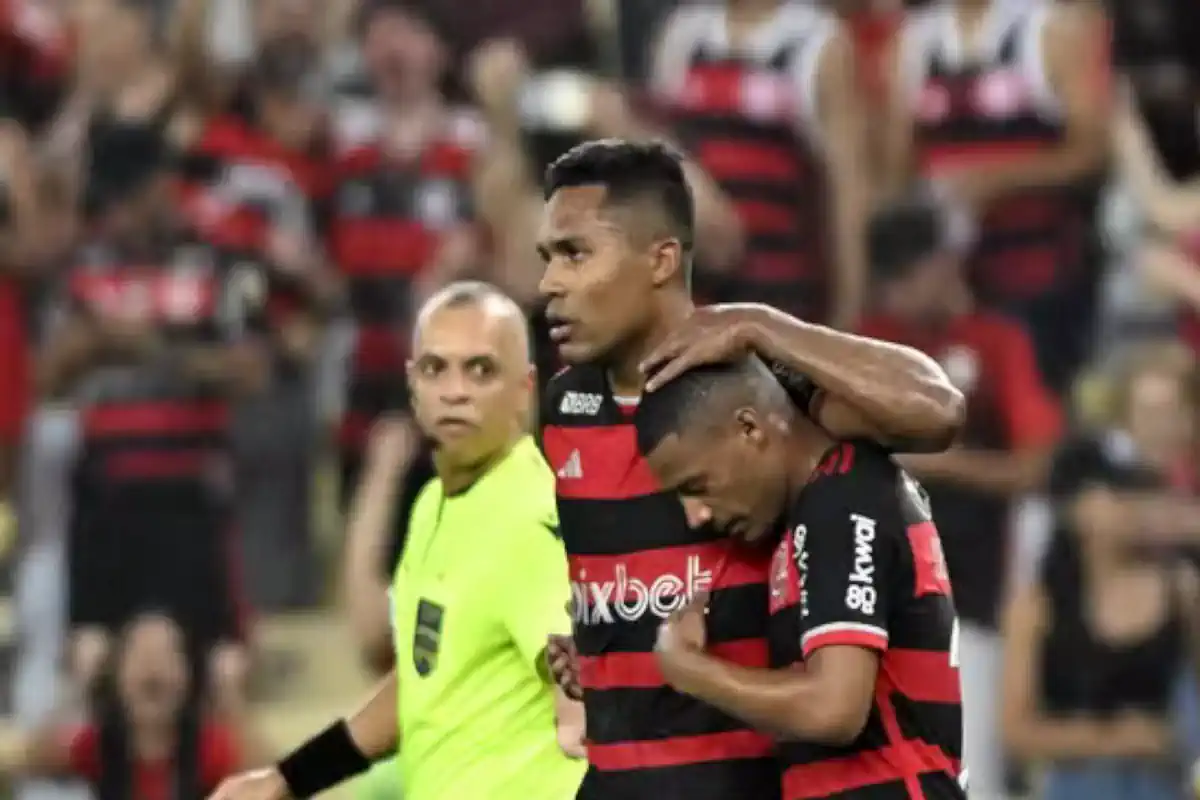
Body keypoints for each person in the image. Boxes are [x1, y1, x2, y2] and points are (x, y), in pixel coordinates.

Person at [537, 139, 964, 800]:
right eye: (547, 259)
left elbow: (936, 410)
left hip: (750, 783)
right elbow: (634, 596)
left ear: (661, 259)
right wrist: (600, 646)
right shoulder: (567, 409)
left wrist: (764, 325)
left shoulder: (760, 385)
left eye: (574, 254)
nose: (550, 285)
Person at [208, 281, 586, 800]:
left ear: (524, 392)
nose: (455, 391)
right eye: (436, 369)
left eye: (481, 370)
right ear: (414, 386)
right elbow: (421, 685)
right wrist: (288, 779)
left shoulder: (528, 519)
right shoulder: (435, 507)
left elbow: (587, 679)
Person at [629, 356, 965, 798]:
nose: (697, 515)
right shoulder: (822, 505)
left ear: (750, 428)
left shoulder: (840, 502)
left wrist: (689, 668)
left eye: (697, 485)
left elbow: (832, 708)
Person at [37, 122, 269, 707]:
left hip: (191, 500)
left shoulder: (215, 262)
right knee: (97, 666)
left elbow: (251, 370)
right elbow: (46, 376)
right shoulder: (80, 265)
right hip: (104, 502)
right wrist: (96, 344)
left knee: (213, 669)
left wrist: (160, 349)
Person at [855, 197, 1062, 798]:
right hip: (867, 603)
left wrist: (930, 460)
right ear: (907, 272)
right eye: (942, 263)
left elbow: (1037, 466)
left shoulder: (993, 340)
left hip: (969, 600)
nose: (957, 274)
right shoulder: (860, 344)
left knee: (972, 779)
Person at [880, 0, 1109, 394]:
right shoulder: (912, 42)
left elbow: (1092, 153)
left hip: (1038, 278)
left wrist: (996, 182)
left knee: (1040, 405)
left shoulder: (1049, 31)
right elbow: (896, 170)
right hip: (949, 286)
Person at [1001, 349, 1200, 800]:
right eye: (1116, 495)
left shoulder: (1180, 590)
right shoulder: (1039, 604)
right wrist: (1117, 739)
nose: (1131, 509)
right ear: (1080, 509)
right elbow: (1015, 730)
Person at [636, 0, 870, 325]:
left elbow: (845, 193)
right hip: (692, 293)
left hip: (779, 294)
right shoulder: (684, 34)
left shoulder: (817, 41)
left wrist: (848, 313)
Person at [0, 612, 265, 800]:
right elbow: (27, 761)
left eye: (166, 654)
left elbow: (273, 784)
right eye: (140, 653)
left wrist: (229, 696)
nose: (153, 664)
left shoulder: (206, 747)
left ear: (187, 677)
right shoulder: (100, 746)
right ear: (117, 677)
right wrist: (78, 685)